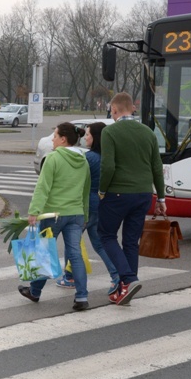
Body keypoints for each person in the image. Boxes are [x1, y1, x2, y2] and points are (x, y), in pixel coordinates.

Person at [98, 92, 166, 306]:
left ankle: (128, 279)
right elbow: (157, 167)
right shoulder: (148, 133)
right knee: (130, 241)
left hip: (118, 193)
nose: (111, 113)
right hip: (144, 194)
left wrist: (102, 190)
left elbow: (107, 166)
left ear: (115, 110)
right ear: (132, 108)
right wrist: (161, 197)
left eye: (111, 110)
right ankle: (126, 288)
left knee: (106, 235)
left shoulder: (110, 132)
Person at [18, 122, 91, 311]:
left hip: (53, 214)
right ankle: (82, 297)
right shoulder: (83, 160)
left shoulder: (53, 158)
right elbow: (86, 190)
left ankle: (34, 292)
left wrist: (34, 211)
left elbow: (43, 187)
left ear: (63, 139)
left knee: (43, 253)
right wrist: (85, 214)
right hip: (75, 214)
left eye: (55, 136)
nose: (53, 139)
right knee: (75, 255)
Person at [55, 122, 120, 295]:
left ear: (96, 137)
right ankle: (116, 275)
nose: (85, 138)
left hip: (86, 205)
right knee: (99, 244)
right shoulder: (106, 156)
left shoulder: (89, 158)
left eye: (89, 134)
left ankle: (70, 277)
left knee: (72, 242)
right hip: (101, 205)